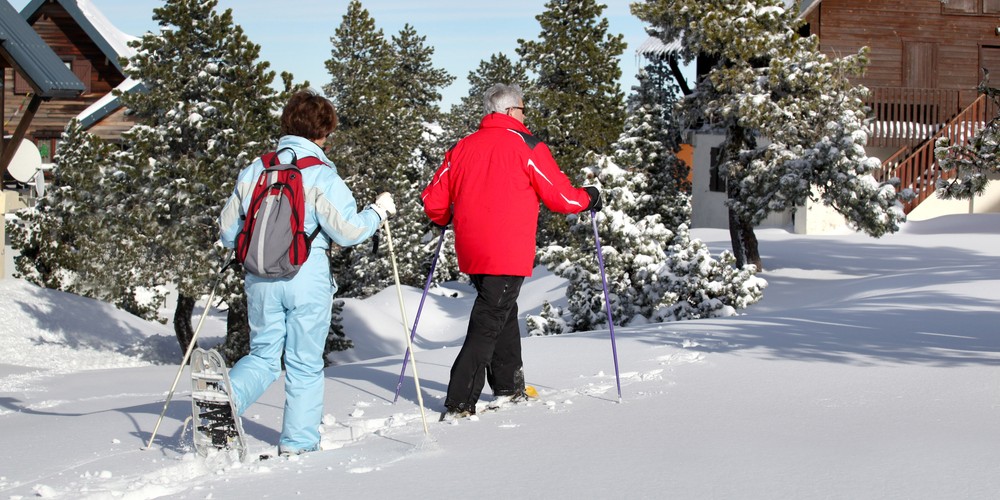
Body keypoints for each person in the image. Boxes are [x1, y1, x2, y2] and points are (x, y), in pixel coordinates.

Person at [218, 90, 396, 455]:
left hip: (260, 278)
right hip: (306, 276)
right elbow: (348, 232)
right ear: (324, 131)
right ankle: (298, 444)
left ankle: (226, 397)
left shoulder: (257, 169)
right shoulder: (321, 175)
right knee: (304, 363)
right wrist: (378, 212)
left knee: (264, 356)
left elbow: (226, 231)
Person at [421, 83, 601, 419]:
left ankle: (508, 386)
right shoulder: (527, 146)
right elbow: (560, 197)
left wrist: (447, 217)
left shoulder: (462, 147)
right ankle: (460, 401)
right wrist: (588, 197)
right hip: (506, 250)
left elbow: (433, 200)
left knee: (501, 311)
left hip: (473, 250)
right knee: (489, 320)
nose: (524, 114)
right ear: (507, 111)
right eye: (521, 108)